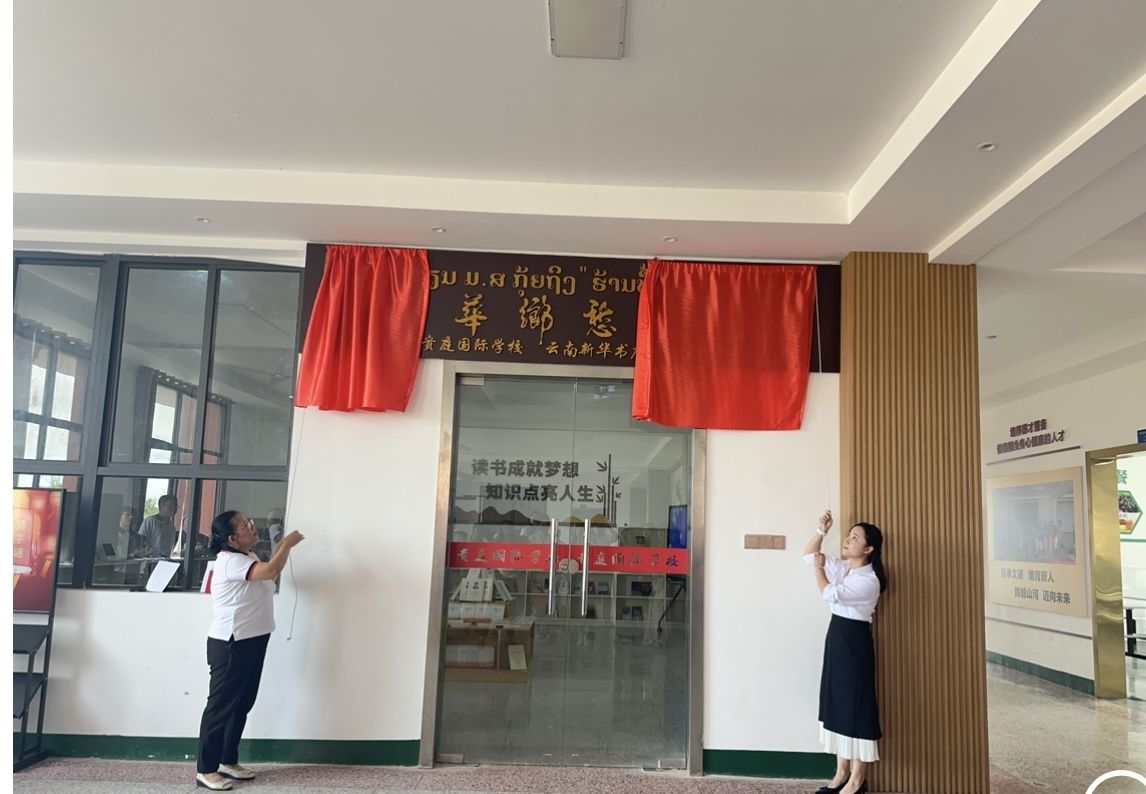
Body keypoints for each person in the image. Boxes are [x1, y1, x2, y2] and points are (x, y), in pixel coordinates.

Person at [194, 510, 304, 791]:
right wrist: (286, 543)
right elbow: (271, 571)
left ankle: (227, 760)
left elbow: (268, 569)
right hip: (231, 643)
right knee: (220, 707)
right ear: (232, 538)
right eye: (245, 525)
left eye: (250, 522)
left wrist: (282, 547)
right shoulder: (230, 561)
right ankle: (206, 769)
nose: (252, 526)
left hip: (253, 640)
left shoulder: (247, 557)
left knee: (241, 704)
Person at [803, 509, 888, 794]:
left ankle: (857, 779)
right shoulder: (845, 568)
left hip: (854, 642)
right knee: (838, 703)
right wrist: (822, 530)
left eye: (855, 538)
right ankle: (841, 773)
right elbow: (808, 554)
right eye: (849, 535)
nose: (848, 540)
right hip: (837, 637)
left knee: (857, 707)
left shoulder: (870, 580)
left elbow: (829, 593)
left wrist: (818, 569)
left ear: (868, 549)